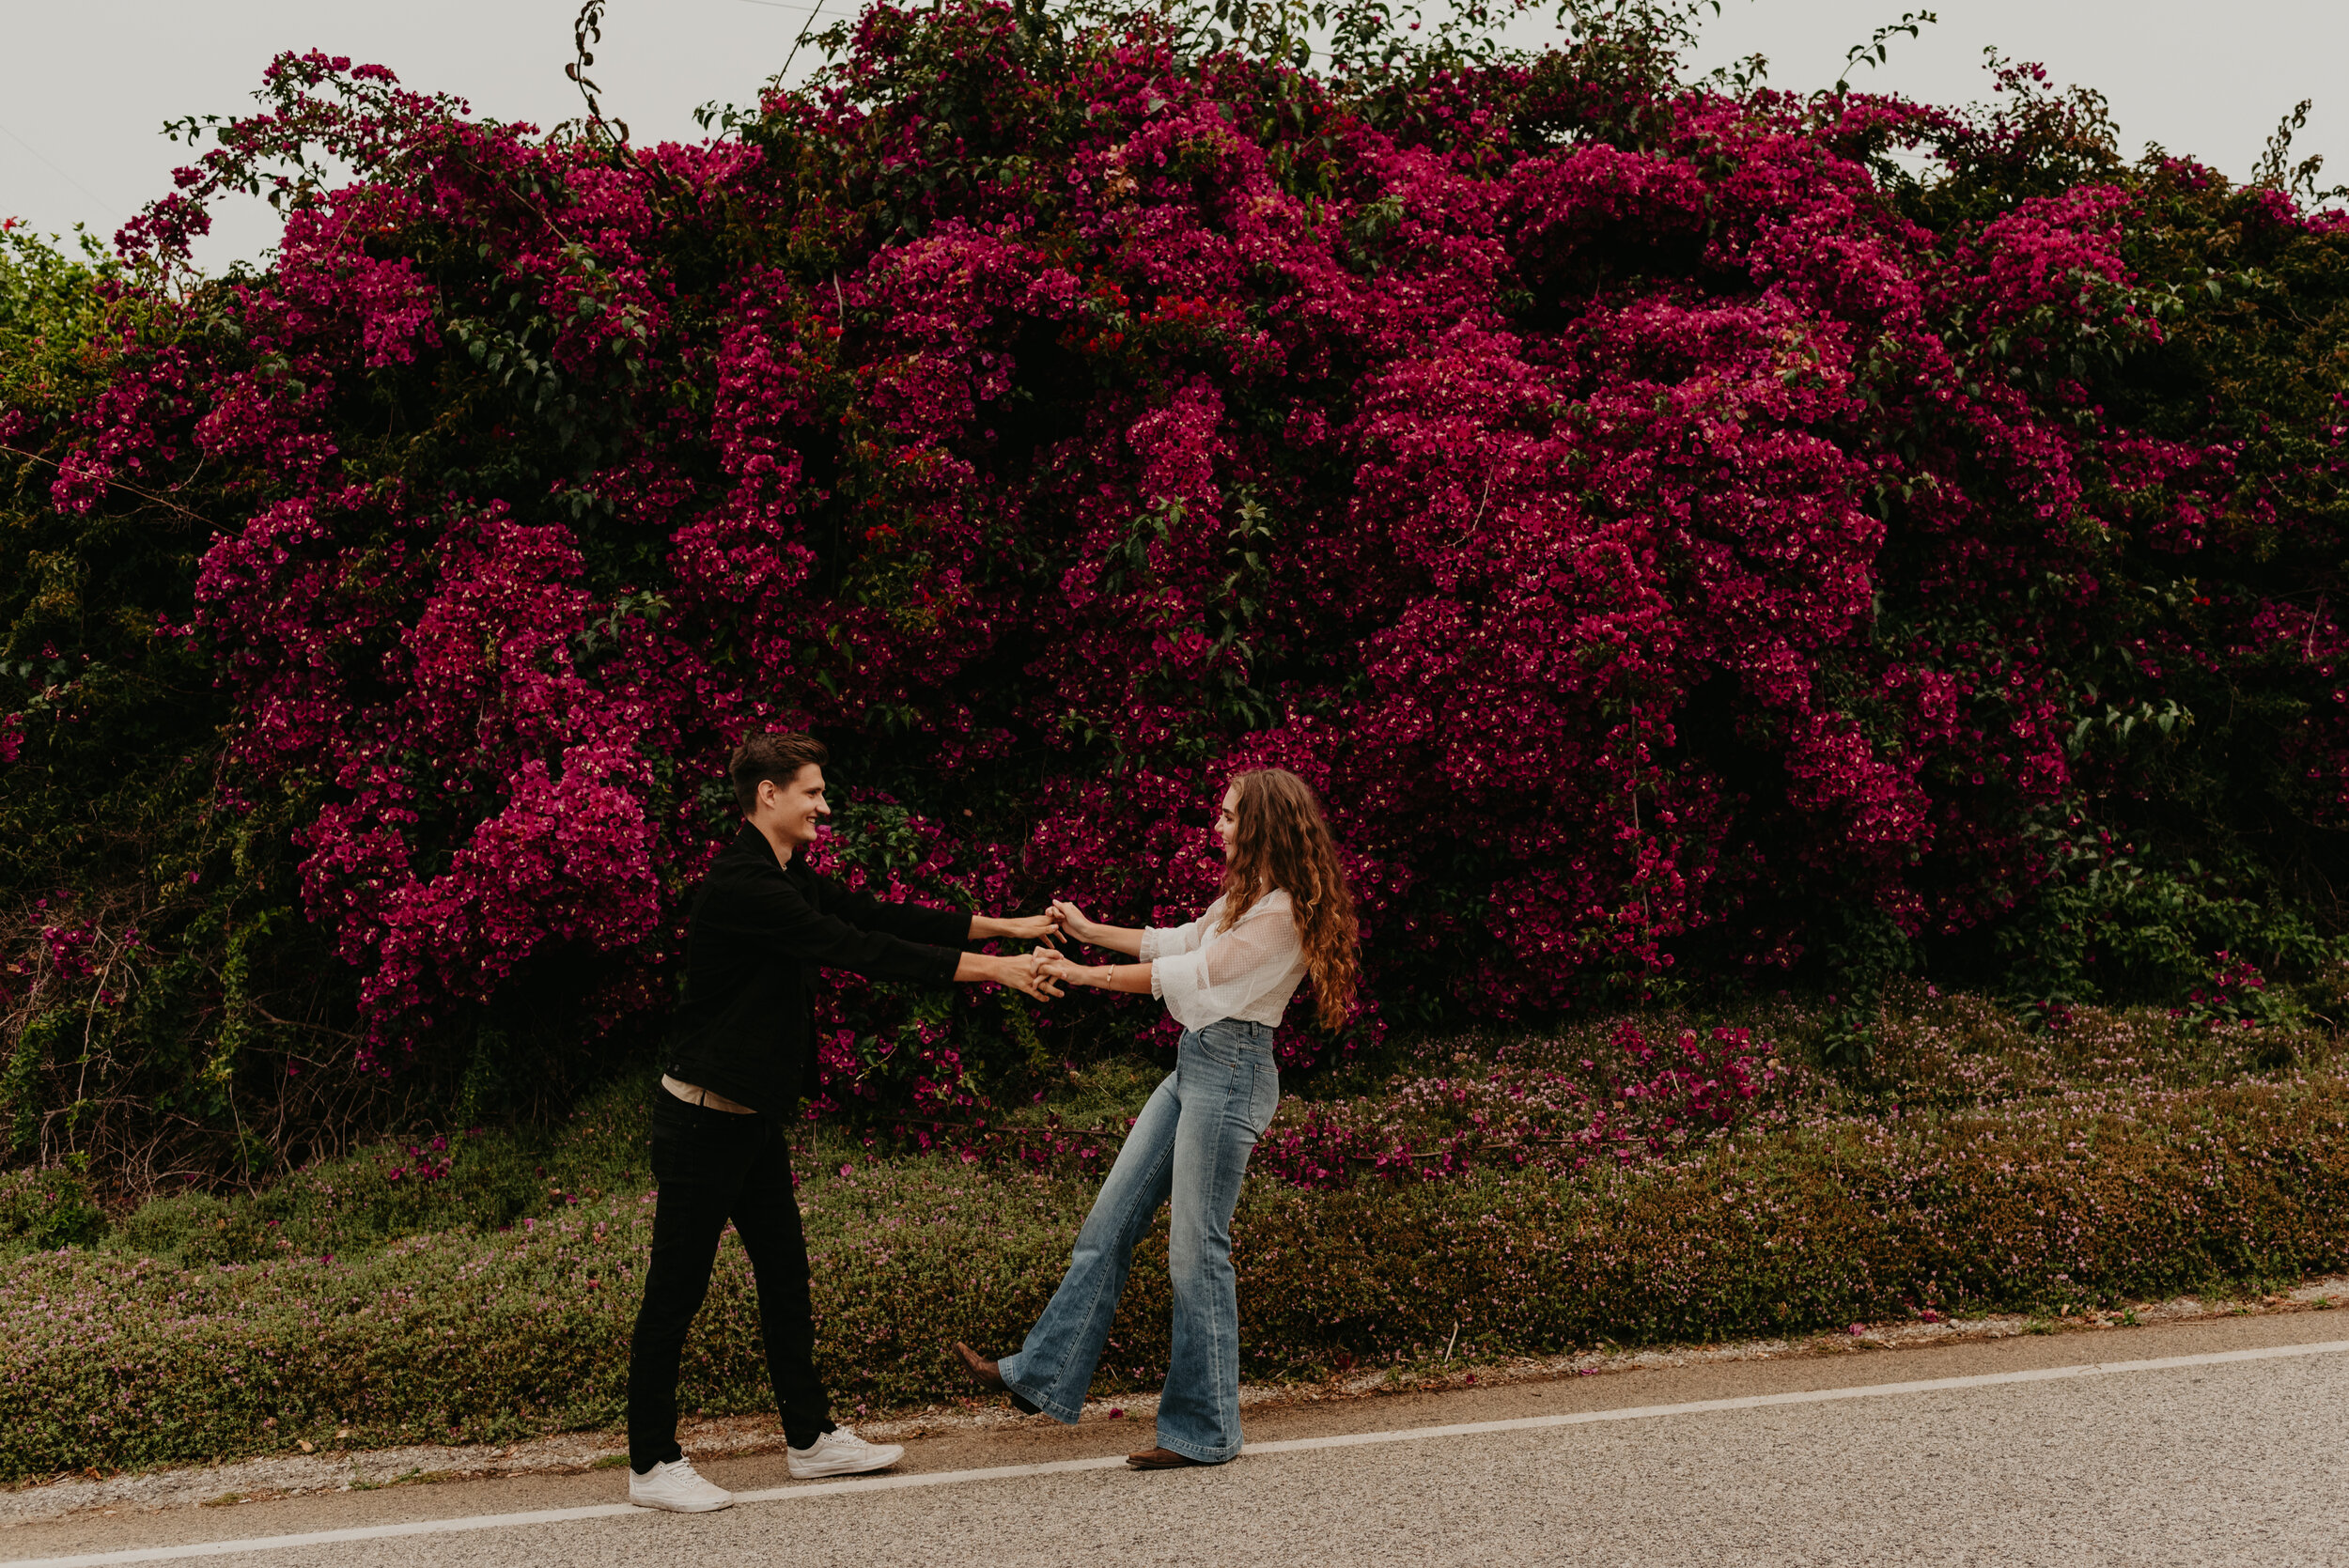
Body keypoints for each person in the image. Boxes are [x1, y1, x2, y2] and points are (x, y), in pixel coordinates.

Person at [627, 732, 1063, 1514]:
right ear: (769, 796)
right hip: (702, 1122)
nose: (825, 805)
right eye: (812, 792)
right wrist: (998, 972)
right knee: (675, 1294)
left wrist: (1007, 928)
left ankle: (809, 1440)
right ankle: (651, 1461)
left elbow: (881, 912)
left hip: (751, 1122)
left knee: (786, 1278)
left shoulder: (784, 873)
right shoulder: (744, 886)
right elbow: (859, 947)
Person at [952, 767, 1359, 1469]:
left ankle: (1205, 1431)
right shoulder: (1245, 895)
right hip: (1196, 1063)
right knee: (1108, 1224)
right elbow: (1176, 943)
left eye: (1229, 816)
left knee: (1195, 1249)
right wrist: (1087, 931)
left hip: (1232, 1074)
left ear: (1259, 823)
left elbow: (1190, 975)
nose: (1218, 826)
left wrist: (1079, 975)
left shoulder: (1280, 913)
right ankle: (1041, 1373)